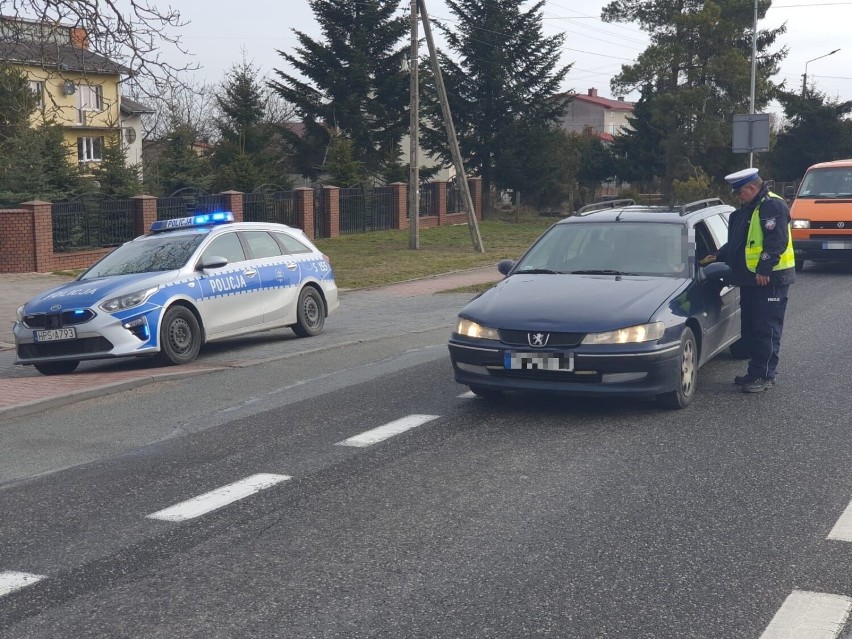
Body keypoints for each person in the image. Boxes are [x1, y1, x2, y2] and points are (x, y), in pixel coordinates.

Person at [706, 168, 796, 393]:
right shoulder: (751, 208)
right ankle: (755, 372)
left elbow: (776, 241)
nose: (738, 197)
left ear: (752, 188)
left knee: (767, 329)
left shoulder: (771, 206)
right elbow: (739, 241)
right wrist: (718, 255)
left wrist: (764, 268)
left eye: (739, 192)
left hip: (770, 279)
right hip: (751, 279)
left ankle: (764, 375)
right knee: (753, 328)